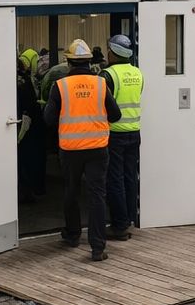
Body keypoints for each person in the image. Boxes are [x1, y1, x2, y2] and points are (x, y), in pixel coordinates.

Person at [43, 38, 120, 261]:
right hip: (97, 148)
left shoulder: (60, 86)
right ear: (89, 62)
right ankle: (97, 247)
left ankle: (73, 235)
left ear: (69, 62)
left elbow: (48, 119)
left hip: (70, 149)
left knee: (71, 192)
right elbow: (115, 115)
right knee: (97, 196)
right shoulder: (100, 84)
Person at [102, 34, 142, 240]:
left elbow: (102, 105)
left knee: (114, 179)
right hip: (134, 132)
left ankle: (119, 225)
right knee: (130, 177)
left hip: (114, 134)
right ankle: (129, 218)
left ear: (113, 52)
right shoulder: (138, 73)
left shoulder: (107, 75)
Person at [15, 48, 46, 202]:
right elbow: (31, 102)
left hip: (20, 125)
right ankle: (29, 191)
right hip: (29, 125)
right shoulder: (25, 79)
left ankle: (24, 192)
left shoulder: (17, 79)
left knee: (21, 160)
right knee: (29, 159)